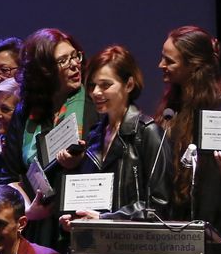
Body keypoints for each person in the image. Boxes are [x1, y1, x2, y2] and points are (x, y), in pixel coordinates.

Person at [4, 29, 93, 249]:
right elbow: (9, 174)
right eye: (63, 61)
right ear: (44, 71)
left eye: (75, 56)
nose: (74, 65)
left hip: (77, 223)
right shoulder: (25, 112)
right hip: (36, 226)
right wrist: (27, 209)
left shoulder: (92, 104)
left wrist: (78, 163)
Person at [158, 25, 221, 246]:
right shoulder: (172, 103)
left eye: (170, 61)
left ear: (193, 65)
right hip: (174, 219)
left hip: (211, 224)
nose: (161, 65)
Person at [64, 46, 169, 223]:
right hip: (97, 244)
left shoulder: (148, 132)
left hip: (134, 246)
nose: (96, 92)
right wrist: (76, 219)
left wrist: (106, 219)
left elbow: (159, 207)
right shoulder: (95, 135)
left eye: (105, 85)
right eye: (92, 85)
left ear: (129, 84)